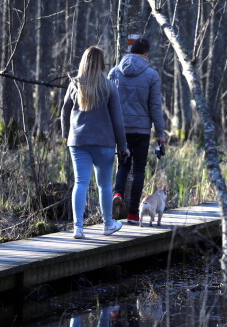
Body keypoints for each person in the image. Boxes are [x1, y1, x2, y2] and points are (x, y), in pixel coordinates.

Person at [61, 46, 129, 239]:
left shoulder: (75, 84)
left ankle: (78, 228)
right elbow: (117, 120)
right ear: (101, 62)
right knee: (105, 185)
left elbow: (64, 112)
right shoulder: (108, 86)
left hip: (78, 141)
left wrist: (66, 135)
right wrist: (123, 146)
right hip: (104, 142)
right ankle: (108, 224)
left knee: (80, 183)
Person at [109, 38, 167, 225]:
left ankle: (117, 193)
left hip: (121, 129)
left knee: (123, 166)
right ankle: (134, 214)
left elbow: (108, 102)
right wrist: (160, 133)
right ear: (146, 54)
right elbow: (155, 107)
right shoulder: (152, 75)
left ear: (129, 51)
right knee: (139, 170)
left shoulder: (114, 72)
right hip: (142, 130)